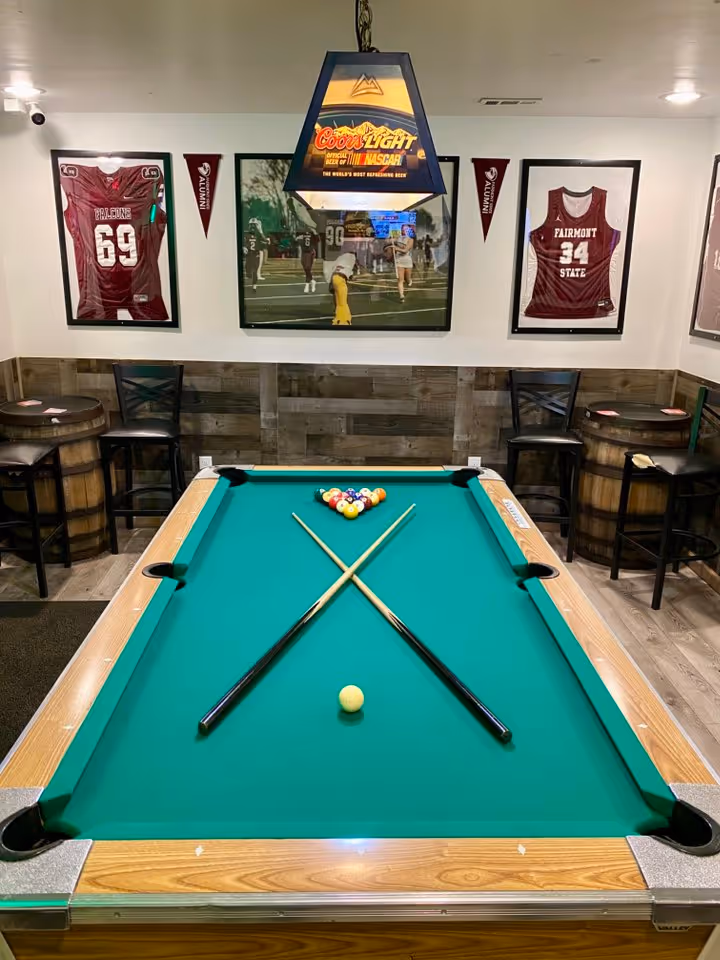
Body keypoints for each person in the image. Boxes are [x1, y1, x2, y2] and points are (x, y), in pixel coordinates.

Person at [389, 224, 415, 302]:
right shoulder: (398, 238)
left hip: (407, 261)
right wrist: (390, 238)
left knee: (407, 279)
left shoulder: (410, 239)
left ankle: (409, 280)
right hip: (399, 261)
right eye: (403, 229)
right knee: (400, 280)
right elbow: (388, 241)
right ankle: (401, 296)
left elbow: (405, 250)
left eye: (405, 229)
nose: (404, 230)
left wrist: (396, 248)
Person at [330, 253, 357, 326]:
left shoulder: (340, 259)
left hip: (334, 278)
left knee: (338, 303)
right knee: (343, 303)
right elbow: (351, 276)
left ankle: (338, 320)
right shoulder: (351, 259)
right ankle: (345, 320)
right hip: (340, 279)